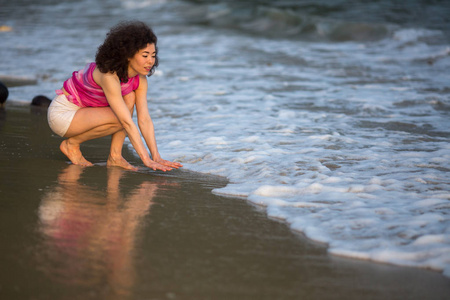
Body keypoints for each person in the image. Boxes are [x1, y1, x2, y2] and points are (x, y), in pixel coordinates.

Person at [47, 21, 182, 171]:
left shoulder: (140, 80)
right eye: (145, 55)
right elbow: (126, 121)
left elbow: (144, 119)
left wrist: (156, 156)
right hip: (63, 114)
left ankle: (115, 156)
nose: (150, 61)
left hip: (84, 113)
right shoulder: (109, 76)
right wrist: (146, 159)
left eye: (153, 55)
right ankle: (71, 144)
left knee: (129, 98)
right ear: (128, 55)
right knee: (122, 117)